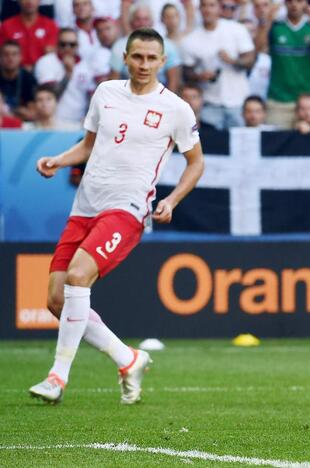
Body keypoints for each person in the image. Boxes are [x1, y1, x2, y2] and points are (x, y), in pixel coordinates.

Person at [28, 28, 205, 405]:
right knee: (57, 300)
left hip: (128, 209)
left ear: (163, 61)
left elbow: (196, 162)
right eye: (137, 57)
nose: (143, 64)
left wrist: (172, 199)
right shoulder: (106, 92)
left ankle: (57, 376)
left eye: (151, 58)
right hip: (85, 207)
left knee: (78, 276)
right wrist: (59, 161)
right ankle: (129, 358)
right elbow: (89, 145)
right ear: (125, 57)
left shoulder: (175, 108)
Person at [181, 0, 256, 129]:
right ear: (199, 9)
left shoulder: (237, 29)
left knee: (238, 145)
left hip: (238, 101)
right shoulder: (191, 39)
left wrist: (232, 61)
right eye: (204, 5)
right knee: (212, 146)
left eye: (211, 5)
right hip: (210, 103)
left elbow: (250, 60)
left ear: (220, 8)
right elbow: (186, 73)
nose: (207, 9)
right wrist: (200, 76)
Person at [256, 0, 310, 129]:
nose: (294, 5)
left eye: (299, 1)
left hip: (306, 101)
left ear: (306, 3)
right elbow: (258, 49)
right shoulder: (276, 25)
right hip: (278, 101)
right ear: (285, 3)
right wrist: (267, 21)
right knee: (275, 145)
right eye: (290, 1)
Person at [0, 0, 58, 69]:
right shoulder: (6, 26)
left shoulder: (51, 26)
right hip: (14, 73)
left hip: (42, 72)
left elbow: (51, 54)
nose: (29, 1)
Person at [0, 40, 38, 120]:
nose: (10, 58)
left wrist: (13, 113)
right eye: (6, 54)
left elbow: (33, 113)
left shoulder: (28, 79)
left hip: (22, 124)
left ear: (20, 57)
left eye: (14, 54)